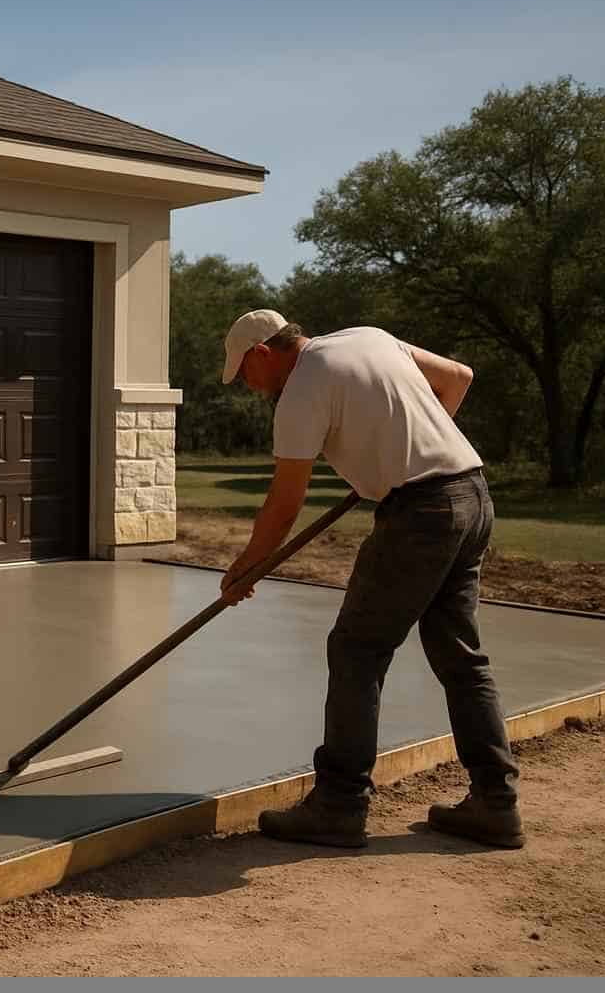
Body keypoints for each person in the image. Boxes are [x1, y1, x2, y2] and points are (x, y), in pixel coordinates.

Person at [217, 308, 523, 850]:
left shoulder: (301, 390)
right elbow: (459, 378)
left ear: (263, 353)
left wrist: (245, 569)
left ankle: (338, 805)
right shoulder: (368, 336)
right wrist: (401, 458)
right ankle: (495, 803)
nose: (249, 386)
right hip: (472, 495)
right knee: (460, 657)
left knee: (357, 651)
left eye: (244, 373)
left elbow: (285, 504)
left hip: (423, 515)